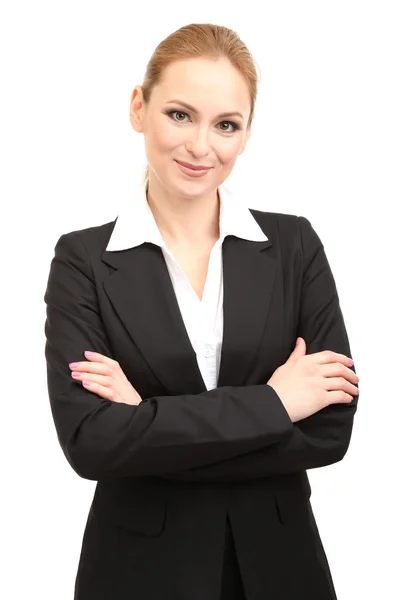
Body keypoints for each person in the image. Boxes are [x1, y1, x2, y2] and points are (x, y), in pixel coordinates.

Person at [44, 22, 359, 600]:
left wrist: (147, 418)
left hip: (281, 569)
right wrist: (277, 402)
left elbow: (331, 431)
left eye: (226, 125)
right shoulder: (83, 259)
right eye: (180, 115)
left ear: (246, 134)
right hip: (138, 573)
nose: (200, 147)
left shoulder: (294, 247)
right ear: (139, 108)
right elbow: (91, 441)